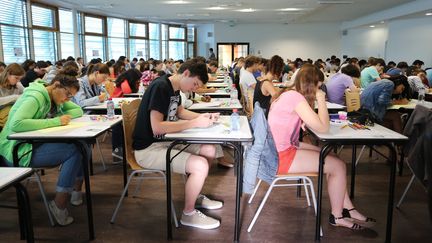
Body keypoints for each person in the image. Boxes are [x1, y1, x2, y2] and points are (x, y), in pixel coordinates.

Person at [268, 64, 374, 230]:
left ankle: (348, 208)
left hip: (278, 149)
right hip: (280, 156)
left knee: (334, 159)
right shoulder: (295, 98)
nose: (320, 88)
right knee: (338, 166)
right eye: (319, 85)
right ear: (312, 84)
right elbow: (323, 128)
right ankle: (337, 217)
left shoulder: (288, 94)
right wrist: (320, 99)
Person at [133, 58, 222, 229]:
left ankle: (195, 194)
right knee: (200, 165)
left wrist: (204, 117)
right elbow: (157, 127)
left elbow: (179, 111)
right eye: (195, 84)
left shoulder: (173, 88)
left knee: (209, 148)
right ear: (186, 73)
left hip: (165, 143)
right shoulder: (161, 87)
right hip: (148, 149)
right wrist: (195, 123)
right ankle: (188, 214)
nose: (194, 89)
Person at [0, 67, 87, 226]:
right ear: (57, 85)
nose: (68, 99)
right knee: (75, 151)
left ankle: (75, 192)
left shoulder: (53, 98)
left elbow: (78, 110)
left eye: (71, 97)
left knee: (81, 145)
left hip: (31, 144)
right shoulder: (35, 97)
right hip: (16, 150)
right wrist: (55, 121)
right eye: (67, 94)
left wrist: (61, 114)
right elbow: (17, 124)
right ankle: (60, 204)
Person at [0, 63, 25, 128]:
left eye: (20, 79)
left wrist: (21, 87)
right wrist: (15, 97)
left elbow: (26, 94)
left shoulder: (17, 84)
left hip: (10, 115)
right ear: (8, 74)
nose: (18, 81)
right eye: (16, 78)